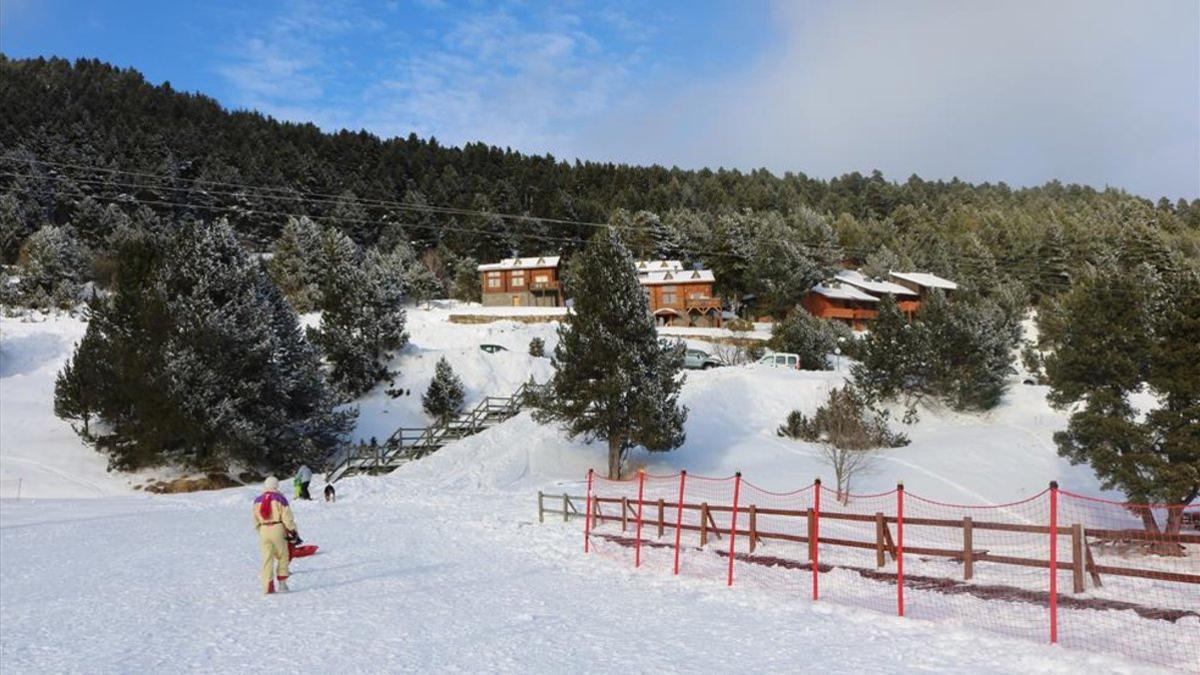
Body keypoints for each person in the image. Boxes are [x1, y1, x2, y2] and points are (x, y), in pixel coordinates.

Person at [253, 476, 298, 595]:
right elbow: (287, 517)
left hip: (263, 529)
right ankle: (282, 584)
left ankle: (267, 586)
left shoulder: (257, 500)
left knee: (267, 559)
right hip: (277, 527)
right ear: (277, 485)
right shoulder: (280, 499)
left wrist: (260, 530)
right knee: (283, 555)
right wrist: (292, 530)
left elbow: (255, 518)